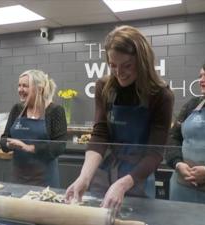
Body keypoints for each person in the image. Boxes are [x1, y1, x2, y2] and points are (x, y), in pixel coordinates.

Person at [65, 25, 174, 210]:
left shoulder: (161, 95)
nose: (119, 72)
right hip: (104, 172)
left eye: (127, 66)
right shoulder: (104, 87)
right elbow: (100, 134)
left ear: (143, 61)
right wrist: (84, 177)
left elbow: (155, 153)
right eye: (112, 65)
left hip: (137, 177)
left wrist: (123, 184)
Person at [166, 55, 205, 206]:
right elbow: (173, 137)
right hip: (181, 189)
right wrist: (178, 163)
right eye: (200, 76)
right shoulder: (191, 105)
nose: (201, 79)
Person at [0, 69, 67, 188]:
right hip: (18, 178)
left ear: (39, 89)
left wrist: (30, 148)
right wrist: (9, 145)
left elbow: (60, 146)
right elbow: (4, 138)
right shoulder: (17, 109)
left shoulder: (55, 111)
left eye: (25, 86)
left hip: (45, 181)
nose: (20, 90)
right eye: (19, 85)